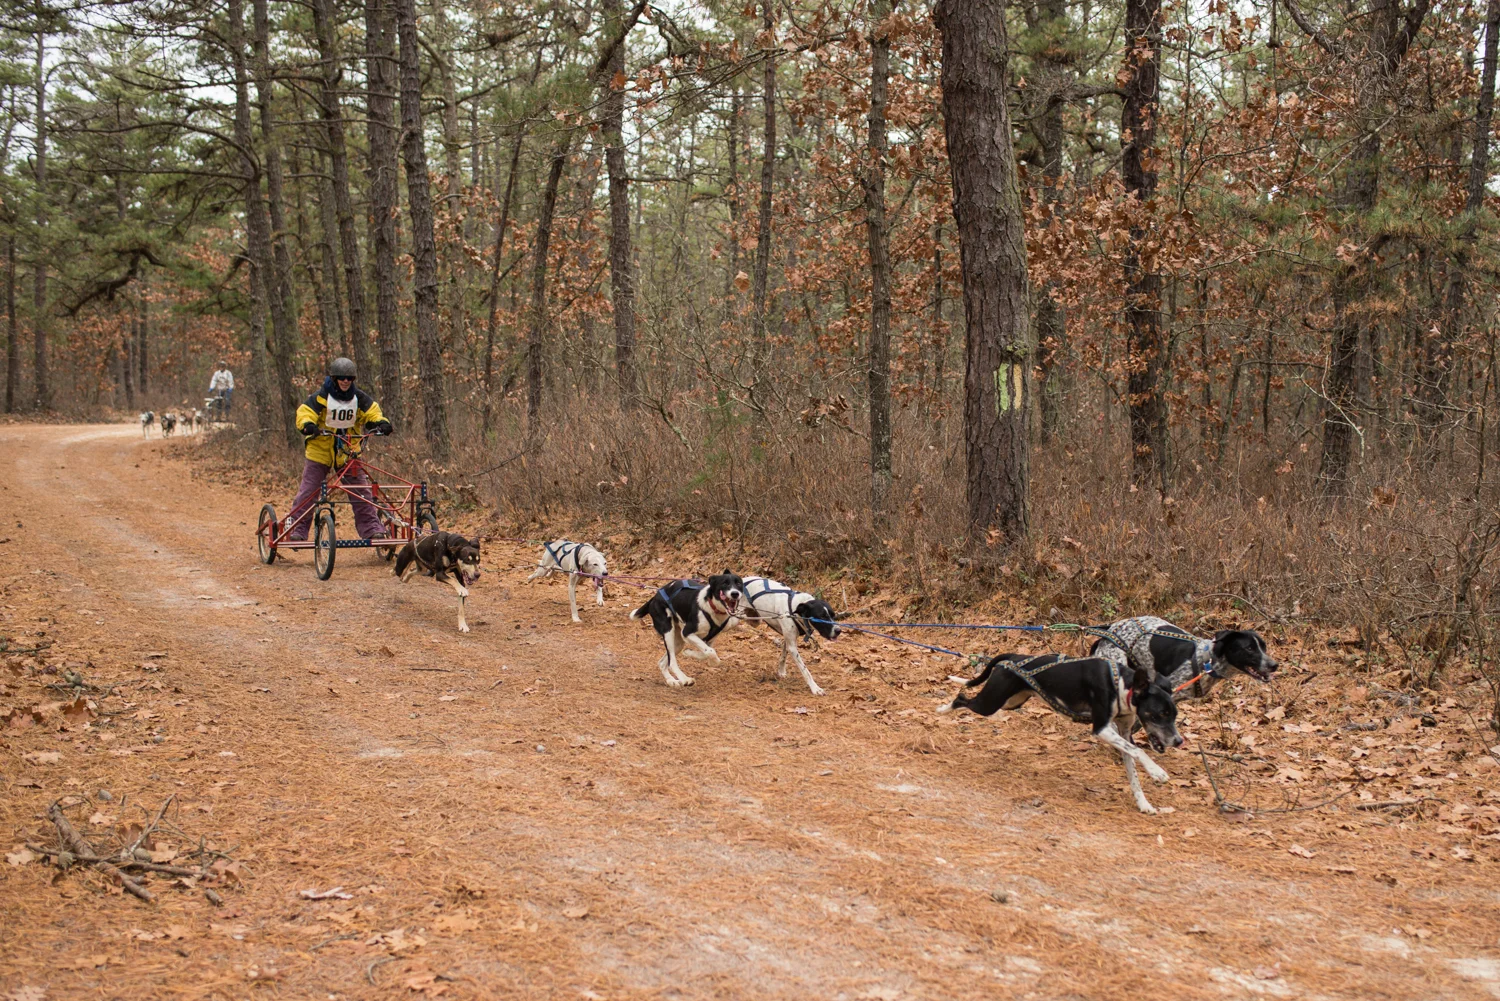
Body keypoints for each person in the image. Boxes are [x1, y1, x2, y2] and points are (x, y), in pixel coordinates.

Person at [286, 357, 394, 542]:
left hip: (347, 452)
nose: (345, 381)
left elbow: (373, 413)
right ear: (334, 378)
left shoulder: (359, 398)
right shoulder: (320, 397)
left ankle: (372, 528)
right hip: (320, 452)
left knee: (361, 491)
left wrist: (381, 423)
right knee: (309, 491)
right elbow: (304, 413)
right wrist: (308, 425)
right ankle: (297, 529)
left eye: (349, 378)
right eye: (342, 378)